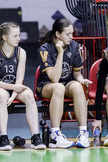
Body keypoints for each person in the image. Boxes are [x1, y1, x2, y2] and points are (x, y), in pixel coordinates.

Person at [0, 22, 46, 151]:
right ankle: (3, 138)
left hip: (16, 87)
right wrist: (12, 89)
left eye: (19, 35)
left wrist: (13, 95)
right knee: (2, 96)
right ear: (5, 37)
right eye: (15, 36)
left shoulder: (21, 52)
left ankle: (35, 137)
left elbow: (19, 78)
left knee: (29, 95)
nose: (19, 38)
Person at [36, 18, 92, 149]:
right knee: (58, 87)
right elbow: (54, 79)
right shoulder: (45, 49)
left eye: (72, 33)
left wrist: (81, 80)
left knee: (78, 87)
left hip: (66, 83)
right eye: (68, 34)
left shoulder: (74, 46)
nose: (71, 37)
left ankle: (83, 133)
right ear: (57, 34)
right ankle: (55, 135)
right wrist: (60, 53)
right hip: (46, 85)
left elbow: (77, 73)